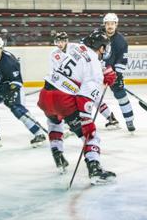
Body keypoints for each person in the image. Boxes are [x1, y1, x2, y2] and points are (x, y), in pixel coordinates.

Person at [37, 29, 117, 184]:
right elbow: (85, 98)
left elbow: (80, 67)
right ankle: (94, 168)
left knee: (54, 122)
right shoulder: (95, 66)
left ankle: (57, 153)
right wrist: (87, 124)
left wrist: (102, 73)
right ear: (101, 48)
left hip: (45, 94)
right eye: (105, 47)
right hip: (63, 99)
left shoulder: (76, 48)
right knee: (92, 136)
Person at [50, 32, 119, 129]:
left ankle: (110, 117)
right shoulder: (54, 54)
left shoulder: (75, 47)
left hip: (83, 77)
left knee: (96, 97)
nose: (60, 44)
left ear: (66, 41)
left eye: (62, 41)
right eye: (58, 42)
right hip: (69, 81)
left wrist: (102, 70)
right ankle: (71, 120)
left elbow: (90, 59)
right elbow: (54, 69)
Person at [102, 13, 135, 132]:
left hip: (112, 72)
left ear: (116, 25)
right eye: (108, 24)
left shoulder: (121, 41)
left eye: (112, 24)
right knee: (88, 95)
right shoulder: (97, 35)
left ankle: (129, 120)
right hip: (96, 71)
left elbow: (123, 59)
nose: (110, 26)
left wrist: (116, 74)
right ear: (104, 24)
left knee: (121, 95)